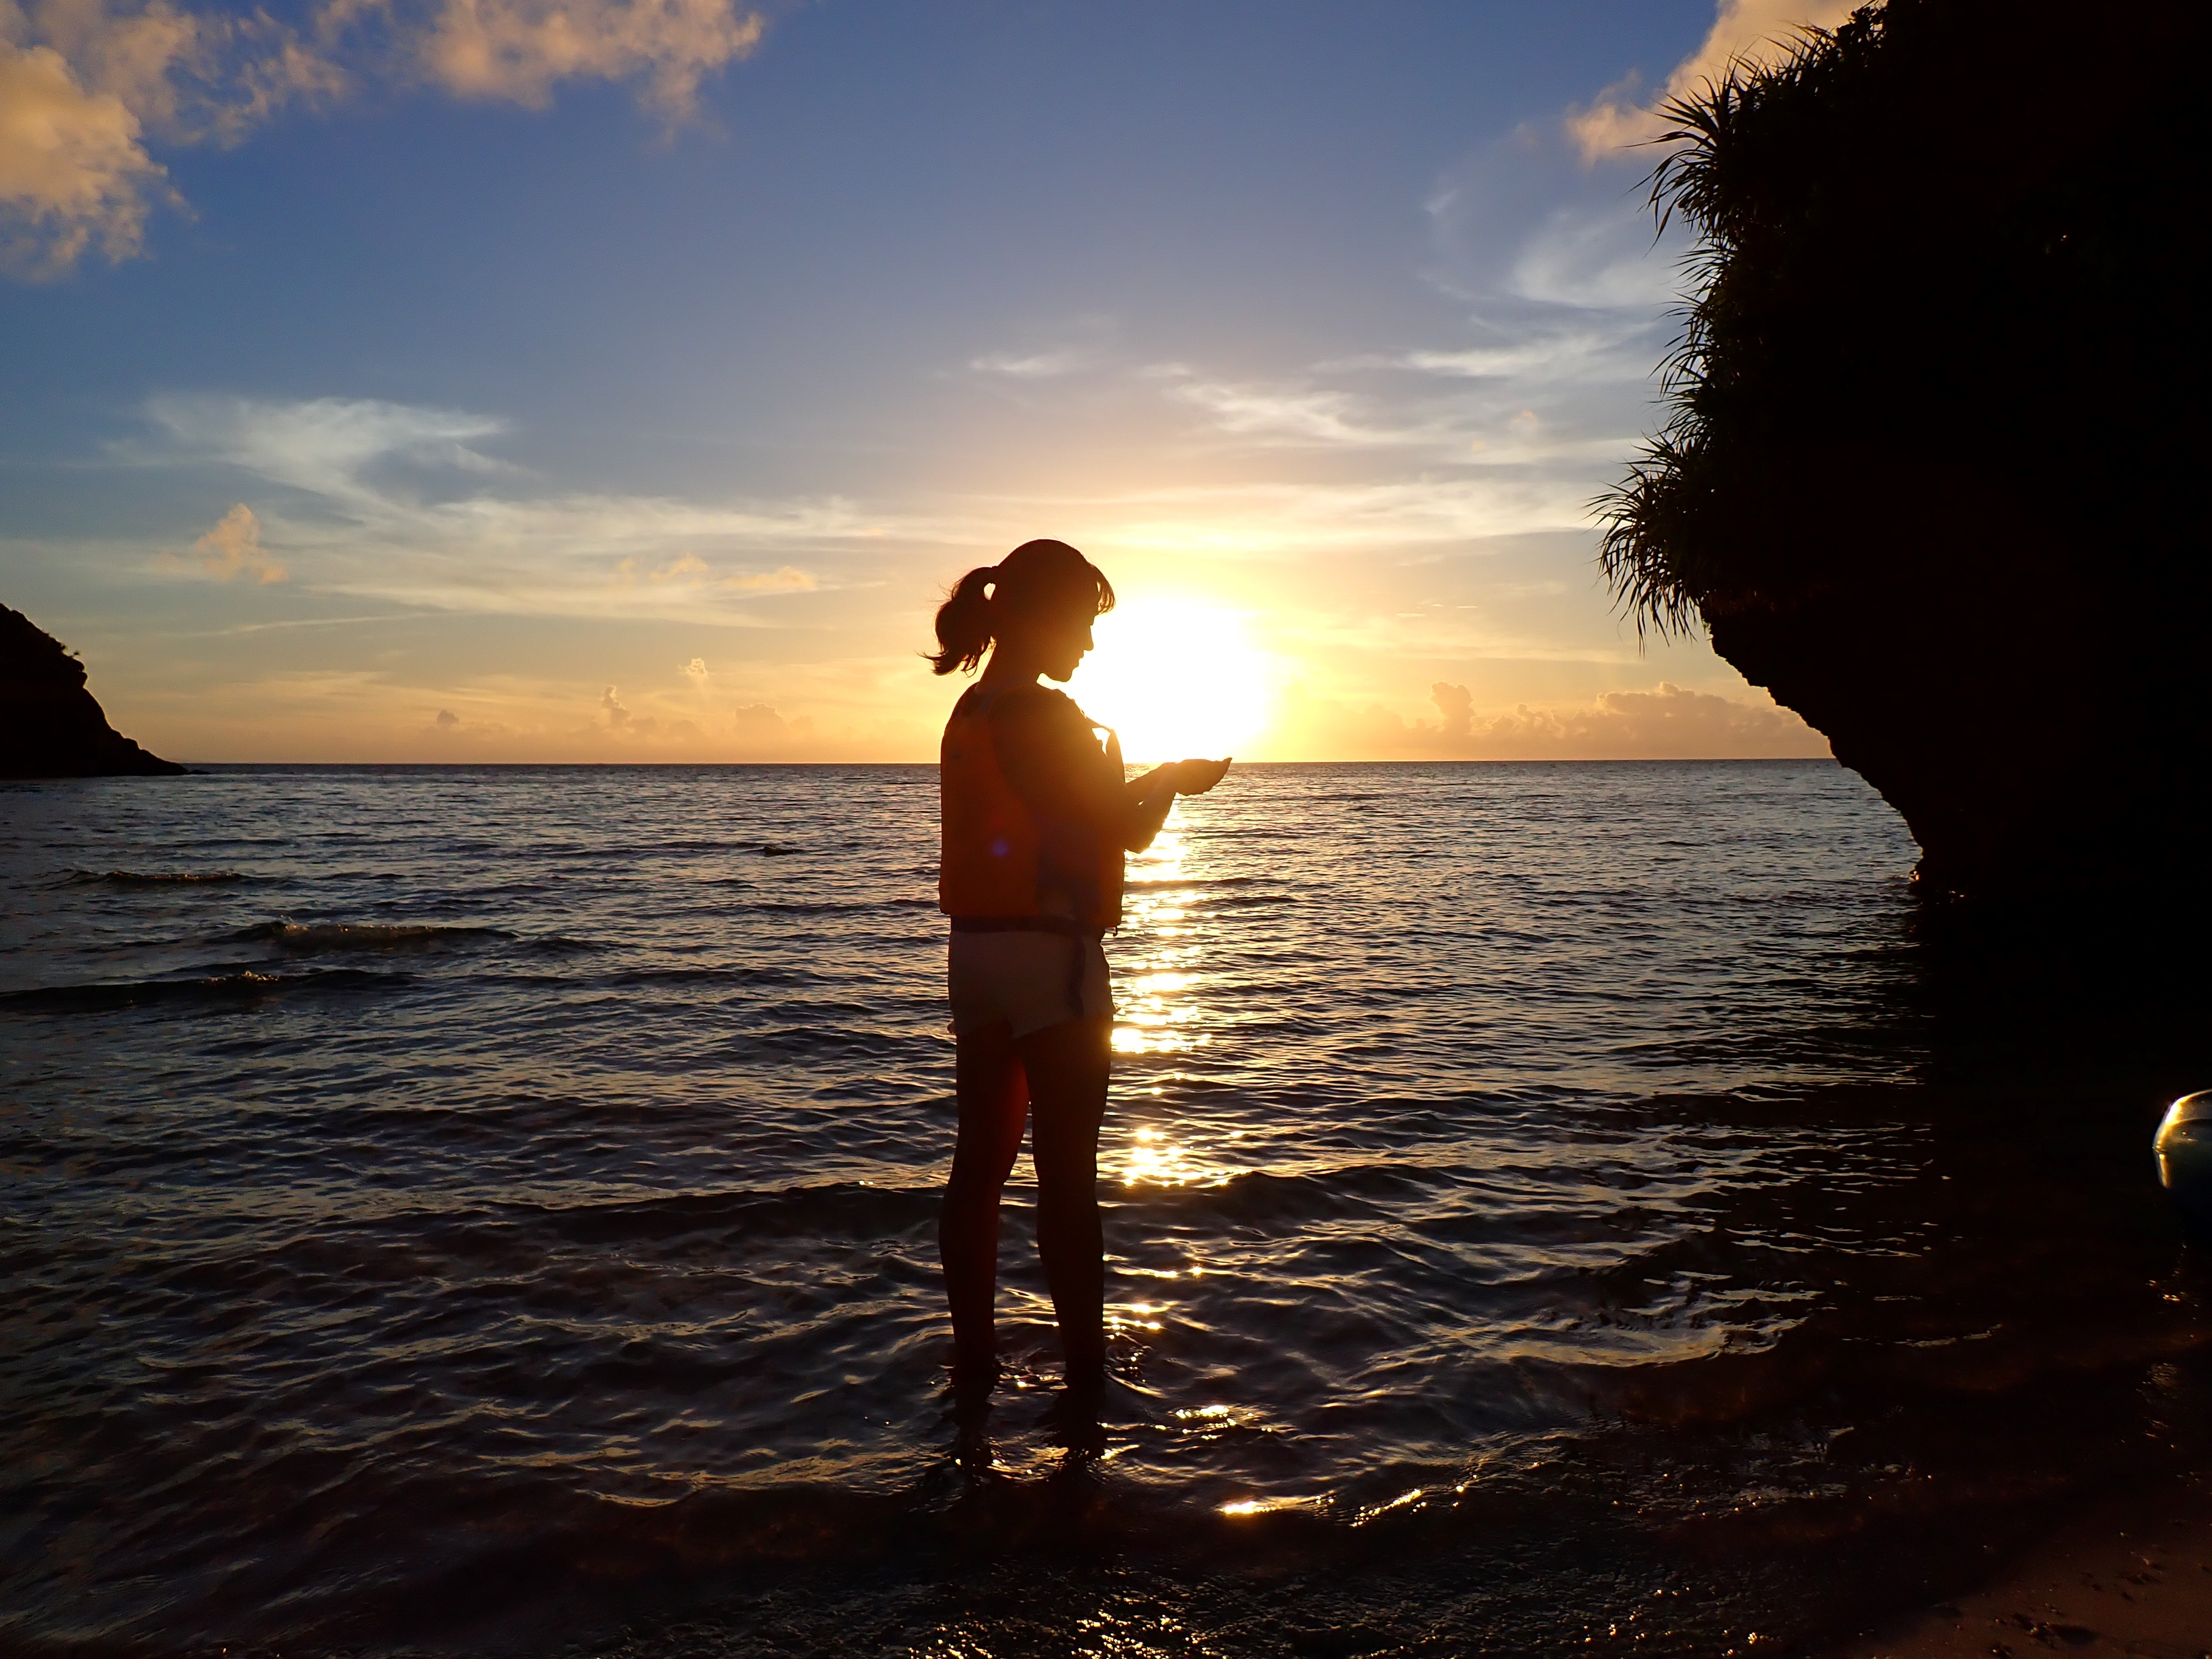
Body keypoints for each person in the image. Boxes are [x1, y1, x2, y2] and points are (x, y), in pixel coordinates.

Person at [928, 538, 1230, 1403]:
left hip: (976, 956)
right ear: (1038, 617)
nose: (1090, 647)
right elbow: (1121, 829)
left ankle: (975, 1365)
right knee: (1068, 1180)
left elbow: (1066, 812)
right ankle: (1087, 1380)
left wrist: (1140, 785)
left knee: (978, 1168)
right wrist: (1173, 779)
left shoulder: (972, 713)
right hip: (1052, 962)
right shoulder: (1048, 717)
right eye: (1083, 625)